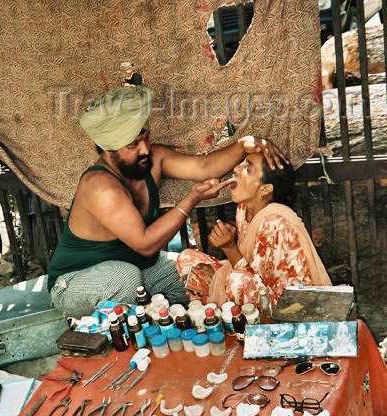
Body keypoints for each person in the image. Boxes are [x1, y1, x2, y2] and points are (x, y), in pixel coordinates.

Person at [47, 84, 285, 318]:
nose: (145, 149)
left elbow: (205, 167)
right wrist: (192, 198)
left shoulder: (153, 158)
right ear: (108, 152)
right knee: (125, 278)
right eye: (133, 145)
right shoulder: (100, 187)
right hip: (76, 282)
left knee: (193, 276)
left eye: (145, 138)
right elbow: (146, 244)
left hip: (137, 267)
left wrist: (243, 145)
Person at [176, 152, 331, 309]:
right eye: (241, 163)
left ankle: (219, 312)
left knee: (236, 281)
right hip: (249, 280)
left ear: (265, 189)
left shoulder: (275, 223)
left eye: (247, 169)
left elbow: (260, 285)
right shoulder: (243, 208)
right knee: (187, 258)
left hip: (282, 304)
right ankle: (216, 307)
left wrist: (229, 247)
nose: (236, 168)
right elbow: (248, 266)